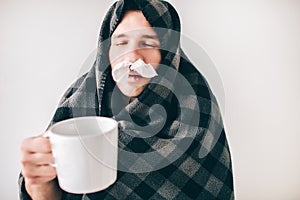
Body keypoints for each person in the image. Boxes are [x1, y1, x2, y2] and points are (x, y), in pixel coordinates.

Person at [19, 0, 234, 199]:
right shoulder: (81, 100)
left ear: (169, 54)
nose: (132, 57)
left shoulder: (196, 107)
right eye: (121, 43)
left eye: (148, 43)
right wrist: (39, 184)